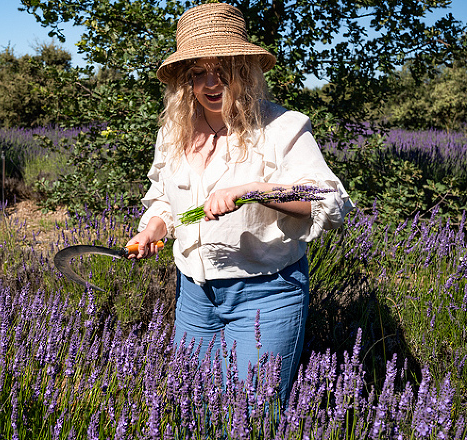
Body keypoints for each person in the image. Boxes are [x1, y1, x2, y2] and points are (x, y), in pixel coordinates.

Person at [126, 2, 355, 407]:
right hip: (194, 296)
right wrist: (154, 229)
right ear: (186, 82)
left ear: (245, 72)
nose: (210, 83)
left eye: (223, 70)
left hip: (266, 294)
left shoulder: (282, 127)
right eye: (198, 73)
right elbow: (169, 202)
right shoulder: (174, 132)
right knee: (191, 407)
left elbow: (327, 200)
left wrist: (253, 190)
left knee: (252, 414)